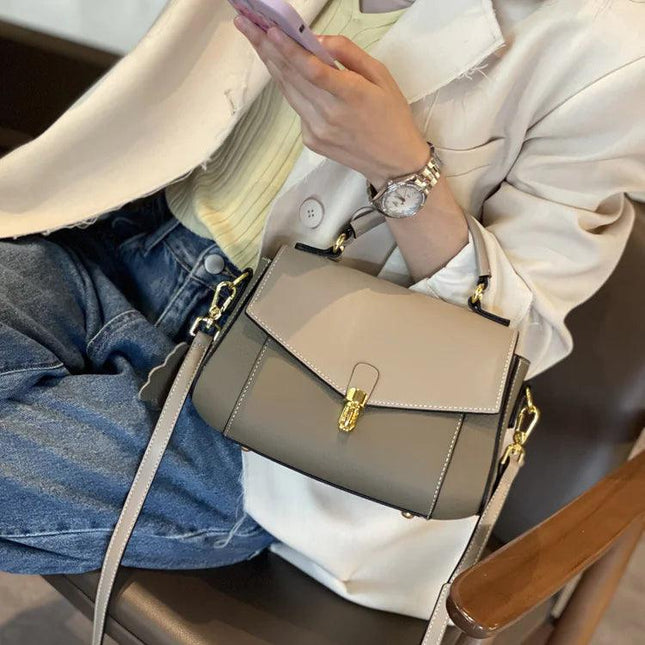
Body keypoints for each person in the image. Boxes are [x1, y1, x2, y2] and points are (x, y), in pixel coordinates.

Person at [0, 0, 643, 621]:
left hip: (305, 394)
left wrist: (403, 171)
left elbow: (516, 335)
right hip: (128, 246)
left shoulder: (611, 50)